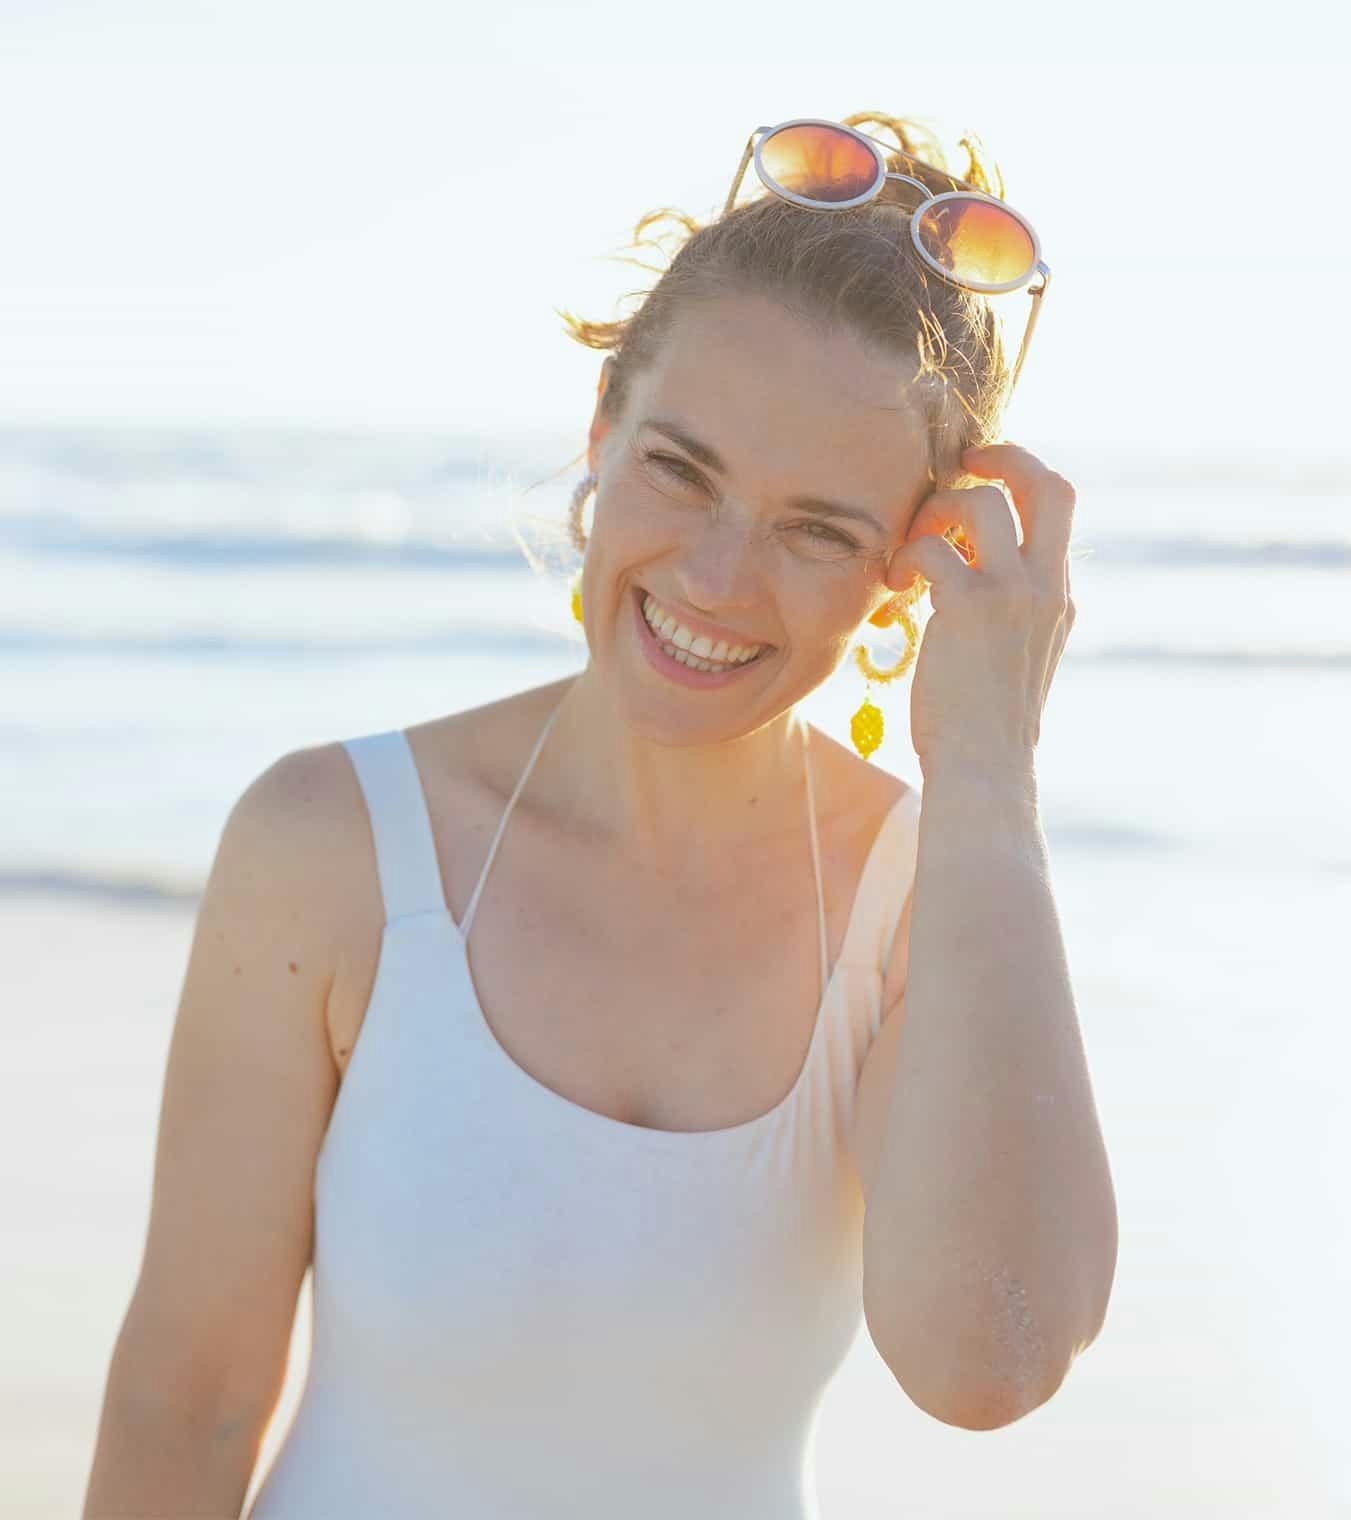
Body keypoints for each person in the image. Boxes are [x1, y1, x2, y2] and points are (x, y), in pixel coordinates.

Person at [83, 112, 1116, 1519]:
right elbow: (183, 1404)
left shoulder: (918, 899)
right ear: (600, 432)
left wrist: (986, 772)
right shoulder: (333, 844)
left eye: (816, 529)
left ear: (901, 578)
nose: (712, 574)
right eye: (679, 471)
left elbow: (985, 1359)